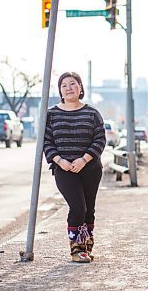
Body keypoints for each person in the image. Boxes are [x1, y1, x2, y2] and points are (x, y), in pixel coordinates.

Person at [43, 72, 106, 263]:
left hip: (90, 168)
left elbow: (100, 140)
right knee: (77, 207)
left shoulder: (92, 113)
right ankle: (76, 249)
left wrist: (84, 160)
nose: (68, 88)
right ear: (60, 91)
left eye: (73, 84)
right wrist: (60, 161)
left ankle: (87, 245)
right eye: (64, 85)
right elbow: (46, 142)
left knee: (89, 210)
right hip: (63, 169)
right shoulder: (51, 114)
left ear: (80, 88)